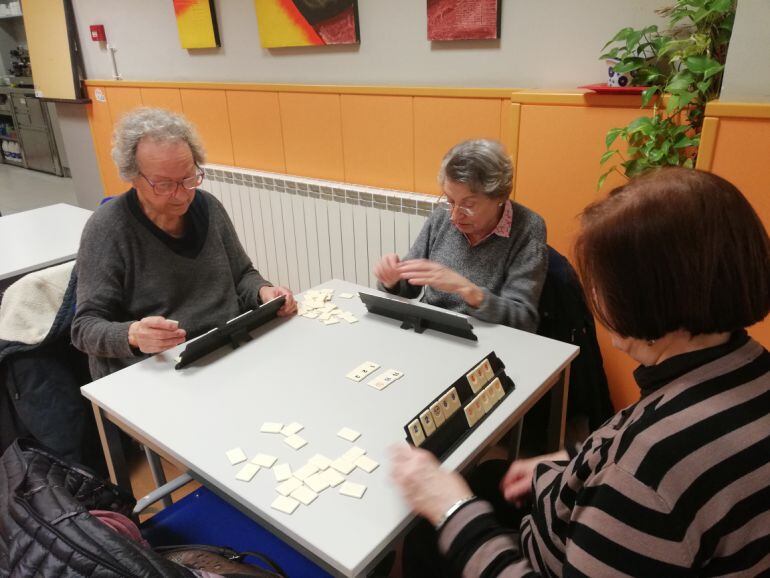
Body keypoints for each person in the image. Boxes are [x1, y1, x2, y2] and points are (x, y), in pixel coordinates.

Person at [391, 167, 770, 577]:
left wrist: (450, 509)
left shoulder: (647, 473)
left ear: (648, 298)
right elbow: (626, 442)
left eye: (600, 284)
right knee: (486, 477)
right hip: (577, 506)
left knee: (427, 529)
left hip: (549, 554)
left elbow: (637, 475)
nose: (592, 299)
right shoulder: (746, 364)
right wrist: (569, 459)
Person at [72, 108, 296, 380]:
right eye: (164, 185)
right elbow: (84, 328)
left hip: (222, 348)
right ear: (133, 177)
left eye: (188, 179)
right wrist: (133, 334)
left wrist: (264, 292)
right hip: (158, 368)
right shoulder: (108, 228)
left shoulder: (208, 207)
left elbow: (242, 275)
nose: (180, 195)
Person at [373, 139, 547, 331]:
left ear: (500, 196)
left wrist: (469, 291)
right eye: (450, 201)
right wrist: (392, 281)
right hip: (431, 329)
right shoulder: (443, 216)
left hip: (484, 337)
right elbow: (409, 287)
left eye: (468, 205)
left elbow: (524, 319)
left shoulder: (528, 228)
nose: (454, 216)